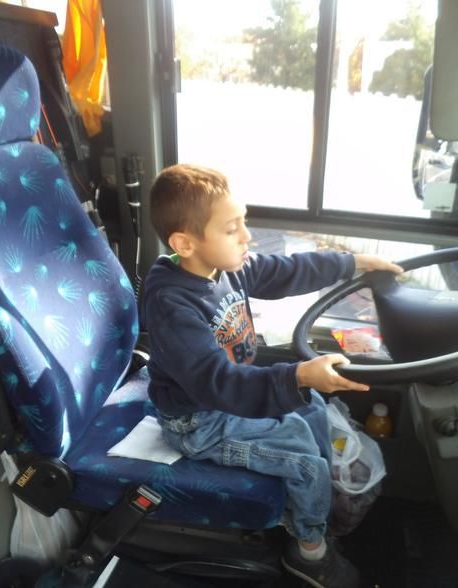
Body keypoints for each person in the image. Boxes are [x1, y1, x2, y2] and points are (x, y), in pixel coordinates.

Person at [143, 163, 403, 588]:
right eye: (232, 229)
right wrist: (298, 375)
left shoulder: (223, 267)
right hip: (198, 420)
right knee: (304, 459)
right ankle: (310, 550)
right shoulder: (172, 304)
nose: (247, 236)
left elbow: (284, 270)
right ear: (185, 243)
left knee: (313, 407)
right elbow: (219, 384)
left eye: (243, 222)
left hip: (226, 398)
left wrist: (352, 263)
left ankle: (315, 504)